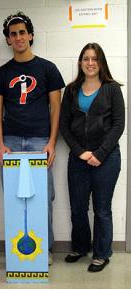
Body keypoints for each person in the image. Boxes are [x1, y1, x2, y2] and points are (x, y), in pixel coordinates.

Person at [0, 11, 65, 265]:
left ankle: (46, 248)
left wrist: (52, 142)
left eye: (23, 32)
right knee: (13, 197)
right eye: (13, 34)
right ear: (8, 40)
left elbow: (56, 108)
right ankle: (16, 248)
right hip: (10, 141)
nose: (19, 37)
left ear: (30, 35)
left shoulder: (48, 68)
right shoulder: (1, 73)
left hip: (39, 141)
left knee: (43, 197)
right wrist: (0, 146)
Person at [60, 43, 125, 272]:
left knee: (102, 209)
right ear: (80, 62)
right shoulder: (71, 90)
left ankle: (102, 254)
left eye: (94, 59)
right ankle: (79, 247)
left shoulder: (112, 89)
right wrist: (80, 151)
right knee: (77, 208)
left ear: (101, 62)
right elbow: (64, 126)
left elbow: (119, 125)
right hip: (78, 159)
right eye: (86, 58)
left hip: (106, 159)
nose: (90, 63)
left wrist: (99, 154)